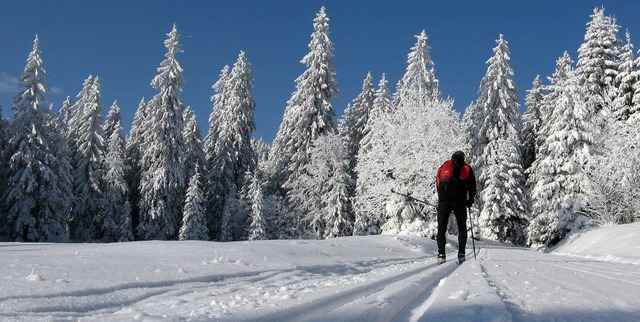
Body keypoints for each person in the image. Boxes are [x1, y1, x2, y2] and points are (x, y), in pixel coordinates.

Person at [435, 151, 476, 264]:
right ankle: (461, 254)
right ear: (463, 158)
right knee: (462, 227)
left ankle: (441, 254)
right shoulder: (466, 168)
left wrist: (442, 198)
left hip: (444, 201)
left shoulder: (443, 167)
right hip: (459, 201)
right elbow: (472, 186)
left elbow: (438, 183)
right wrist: (470, 200)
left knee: (441, 229)